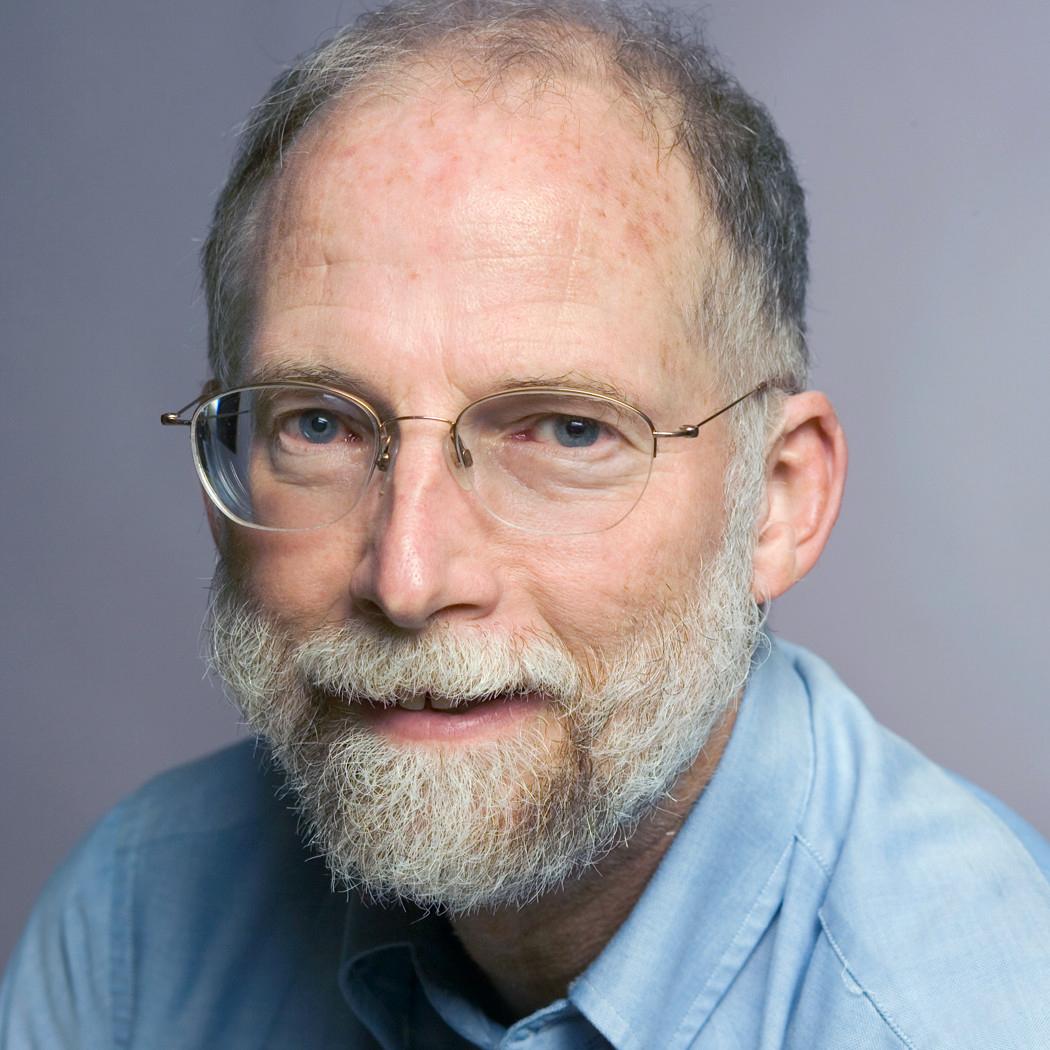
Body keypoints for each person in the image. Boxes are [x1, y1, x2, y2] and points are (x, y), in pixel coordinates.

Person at [3, 0, 1048, 1046]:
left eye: (564, 431)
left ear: (777, 500)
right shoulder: (131, 933)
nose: (407, 579)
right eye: (318, 424)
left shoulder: (974, 1011)